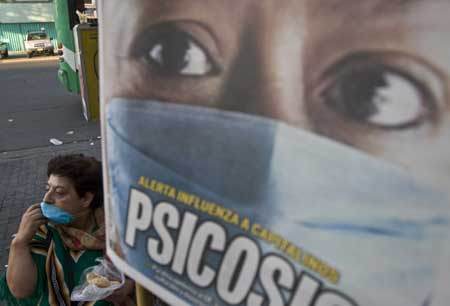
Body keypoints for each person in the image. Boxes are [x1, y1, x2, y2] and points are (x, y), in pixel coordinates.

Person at [0, 154, 135, 306]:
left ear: (86, 199)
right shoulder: (42, 230)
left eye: (59, 192)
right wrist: (20, 242)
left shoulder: (118, 231)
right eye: (47, 188)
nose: (47, 198)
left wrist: (128, 287)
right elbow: (20, 291)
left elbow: (145, 276)